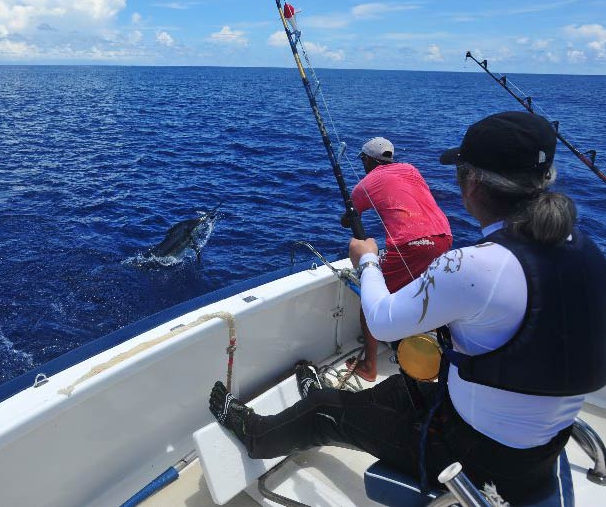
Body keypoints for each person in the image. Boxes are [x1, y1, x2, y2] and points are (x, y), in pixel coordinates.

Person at [209, 111, 606, 503]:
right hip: (538, 449)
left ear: (471, 184)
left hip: (476, 460)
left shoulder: (475, 266)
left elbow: (383, 323)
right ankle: (330, 406)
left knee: (322, 411)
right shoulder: (586, 251)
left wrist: (366, 259)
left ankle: (256, 434)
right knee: (402, 386)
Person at [351, 137, 452, 381]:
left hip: (412, 243)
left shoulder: (364, 184)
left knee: (371, 299)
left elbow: (353, 213)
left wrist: (349, 217)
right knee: (424, 292)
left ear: (367, 160)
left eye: (363, 160)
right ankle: (433, 358)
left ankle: (370, 367)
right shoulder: (411, 169)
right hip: (444, 237)